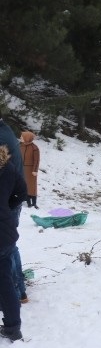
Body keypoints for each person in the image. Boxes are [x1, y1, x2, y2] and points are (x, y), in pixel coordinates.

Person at [0, 145, 28, 342]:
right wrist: (7, 207)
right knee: (5, 281)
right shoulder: (7, 167)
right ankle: (13, 328)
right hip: (5, 232)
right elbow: (22, 192)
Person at [0, 111, 27, 304]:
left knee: (7, 247)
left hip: (8, 202)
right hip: (10, 200)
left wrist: (7, 206)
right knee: (9, 246)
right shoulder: (4, 130)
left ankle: (16, 290)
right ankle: (19, 290)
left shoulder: (1, 137)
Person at [19, 130, 40, 209]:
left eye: (22, 136)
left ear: (27, 138)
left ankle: (34, 203)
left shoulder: (34, 148)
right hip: (21, 169)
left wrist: (35, 170)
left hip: (31, 170)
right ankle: (27, 201)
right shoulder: (20, 146)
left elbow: (36, 160)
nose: (20, 138)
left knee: (31, 186)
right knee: (24, 185)